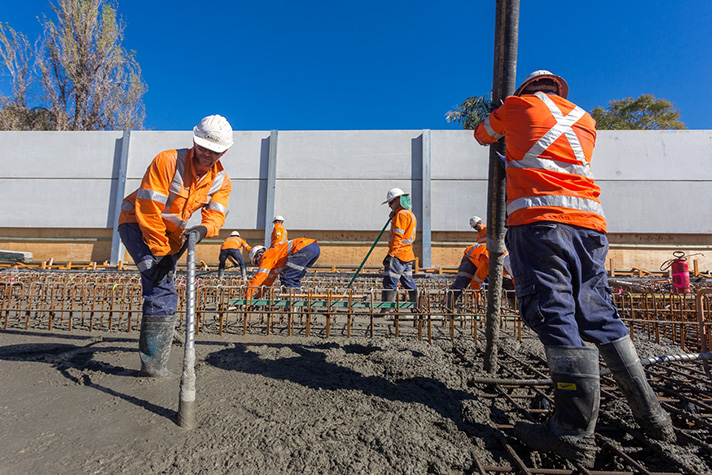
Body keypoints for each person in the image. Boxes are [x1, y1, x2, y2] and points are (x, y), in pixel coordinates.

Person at [474, 70, 673, 466]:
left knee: (555, 313)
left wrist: (499, 117)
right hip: (590, 227)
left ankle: (572, 432)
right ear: (558, 91)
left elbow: (482, 134)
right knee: (599, 315)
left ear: (526, 90)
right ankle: (654, 417)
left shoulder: (515, 106)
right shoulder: (585, 119)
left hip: (540, 224)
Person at [118, 114, 234, 377]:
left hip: (169, 234)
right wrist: (161, 254)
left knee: (164, 286)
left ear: (224, 151)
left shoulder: (221, 181)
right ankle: (153, 367)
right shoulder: (168, 160)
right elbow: (148, 209)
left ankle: (162, 336)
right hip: (136, 224)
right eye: (203, 148)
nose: (207, 155)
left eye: (214, 152)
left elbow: (216, 214)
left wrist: (204, 229)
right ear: (194, 141)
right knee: (161, 290)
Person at [246, 239, 321, 299]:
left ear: (260, 255)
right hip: (314, 248)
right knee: (294, 279)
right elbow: (267, 282)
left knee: (287, 277)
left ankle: (291, 305)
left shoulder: (267, 257)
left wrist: (247, 297)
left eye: (256, 262)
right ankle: (295, 303)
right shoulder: (274, 261)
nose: (258, 265)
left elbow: (259, 277)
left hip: (304, 247)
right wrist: (258, 296)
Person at [381, 188, 417, 307]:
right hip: (407, 254)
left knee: (390, 281)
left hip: (398, 254)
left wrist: (391, 254)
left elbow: (397, 237)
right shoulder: (409, 214)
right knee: (408, 282)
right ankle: (415, 307)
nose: (390, 206)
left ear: (398, 200)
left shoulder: (401, 215)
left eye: (391, 203)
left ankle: (386, 310)